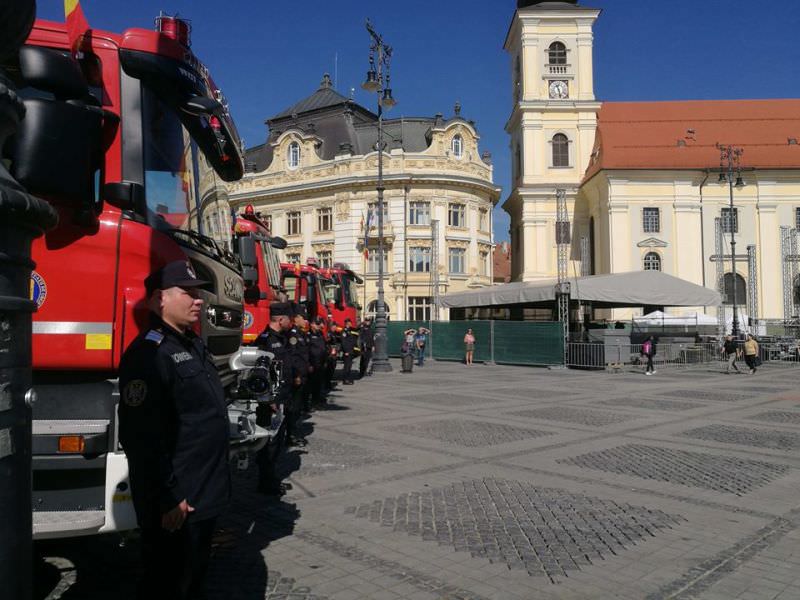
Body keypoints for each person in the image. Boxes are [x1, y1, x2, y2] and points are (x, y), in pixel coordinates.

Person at [118, 260, 230, 600]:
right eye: (188, 293)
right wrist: (168, 497)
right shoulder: (148, 354)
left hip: (202, 493)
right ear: (158, 300)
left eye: (199, 294)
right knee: (166, 581)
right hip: (177, 503)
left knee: (193, 577)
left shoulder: (192, 344)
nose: (198, 300)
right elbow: (141, 437)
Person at [254, 301, 294, 495]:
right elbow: (259, 373)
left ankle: (271, 479)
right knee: (269, 445)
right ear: (280, 319)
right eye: (289, 318)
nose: (292, 322)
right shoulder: (265, 340)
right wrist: (268, 399)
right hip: (270, 403)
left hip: (282, 399)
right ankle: (266, 483)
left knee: (277, 443)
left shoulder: (282, 338)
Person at [285, 309, 309, 446]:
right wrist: (296, 375)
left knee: (298, 406)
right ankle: (291, 435)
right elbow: (293, 357)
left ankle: (293, 431)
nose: (305, 321)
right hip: (297, 375)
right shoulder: (293, 334)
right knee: (293, 407)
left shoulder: (300, 333)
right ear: (297, 318)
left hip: (303, 374)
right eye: (303, 318)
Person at [307, 317, 328, 406]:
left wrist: (325, 360)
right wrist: (309, 364)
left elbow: (323, 347)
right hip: (313, 363)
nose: (319, 326)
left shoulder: (320, 334)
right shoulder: (308, 335)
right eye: (317, 324)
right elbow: (306, 351)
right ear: (312, 324)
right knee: (311, 383)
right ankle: (311, 401)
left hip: (320, 362)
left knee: (319, 382)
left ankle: (317, 399)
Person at [339, 318, 358, 385]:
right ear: (346, 323)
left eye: (350, 322)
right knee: (347, 366)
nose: (350, 324)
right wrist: (346, 351)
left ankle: (347, 378)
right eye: (349, 323)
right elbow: (343, 342)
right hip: (347, 351)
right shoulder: (344, 331)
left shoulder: (350, 331)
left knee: (349, 366)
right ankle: (345, 380)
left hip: (351, 350)